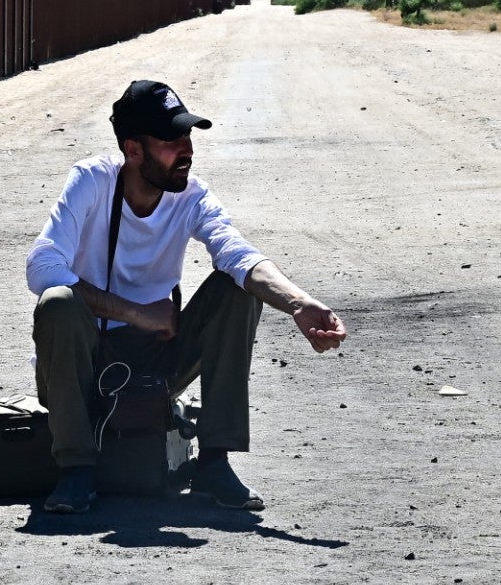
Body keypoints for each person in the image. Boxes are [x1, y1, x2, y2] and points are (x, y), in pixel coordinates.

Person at [26, 81, 347, 514]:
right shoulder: (93, 181)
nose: (187, 149)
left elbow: (237, 253)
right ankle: (76, 468)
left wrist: (299, 303)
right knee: (57, 303)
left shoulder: (192, 195)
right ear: (134, 149)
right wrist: (138, 314)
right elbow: (42, 267)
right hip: (84, 362)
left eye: (188, 136)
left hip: (157, 360)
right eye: (171, 139)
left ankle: (214, 462)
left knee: (238, 288)